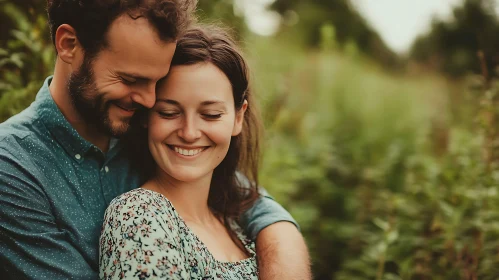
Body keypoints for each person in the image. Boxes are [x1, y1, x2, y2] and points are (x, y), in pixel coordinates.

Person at [0, 1, 311, 279]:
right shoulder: (13, 166)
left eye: (157, 82)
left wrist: (280, 237)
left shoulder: (138, 125)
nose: (149, 100)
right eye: (131, 79)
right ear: (68, 44)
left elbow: (249, 200)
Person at [100, 24, 262, 279]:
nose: (189, 133)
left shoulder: (235, 221)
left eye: (210, 115)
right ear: (146, 117)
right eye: (169, 113)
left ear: (238, 118)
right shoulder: (140, 215)